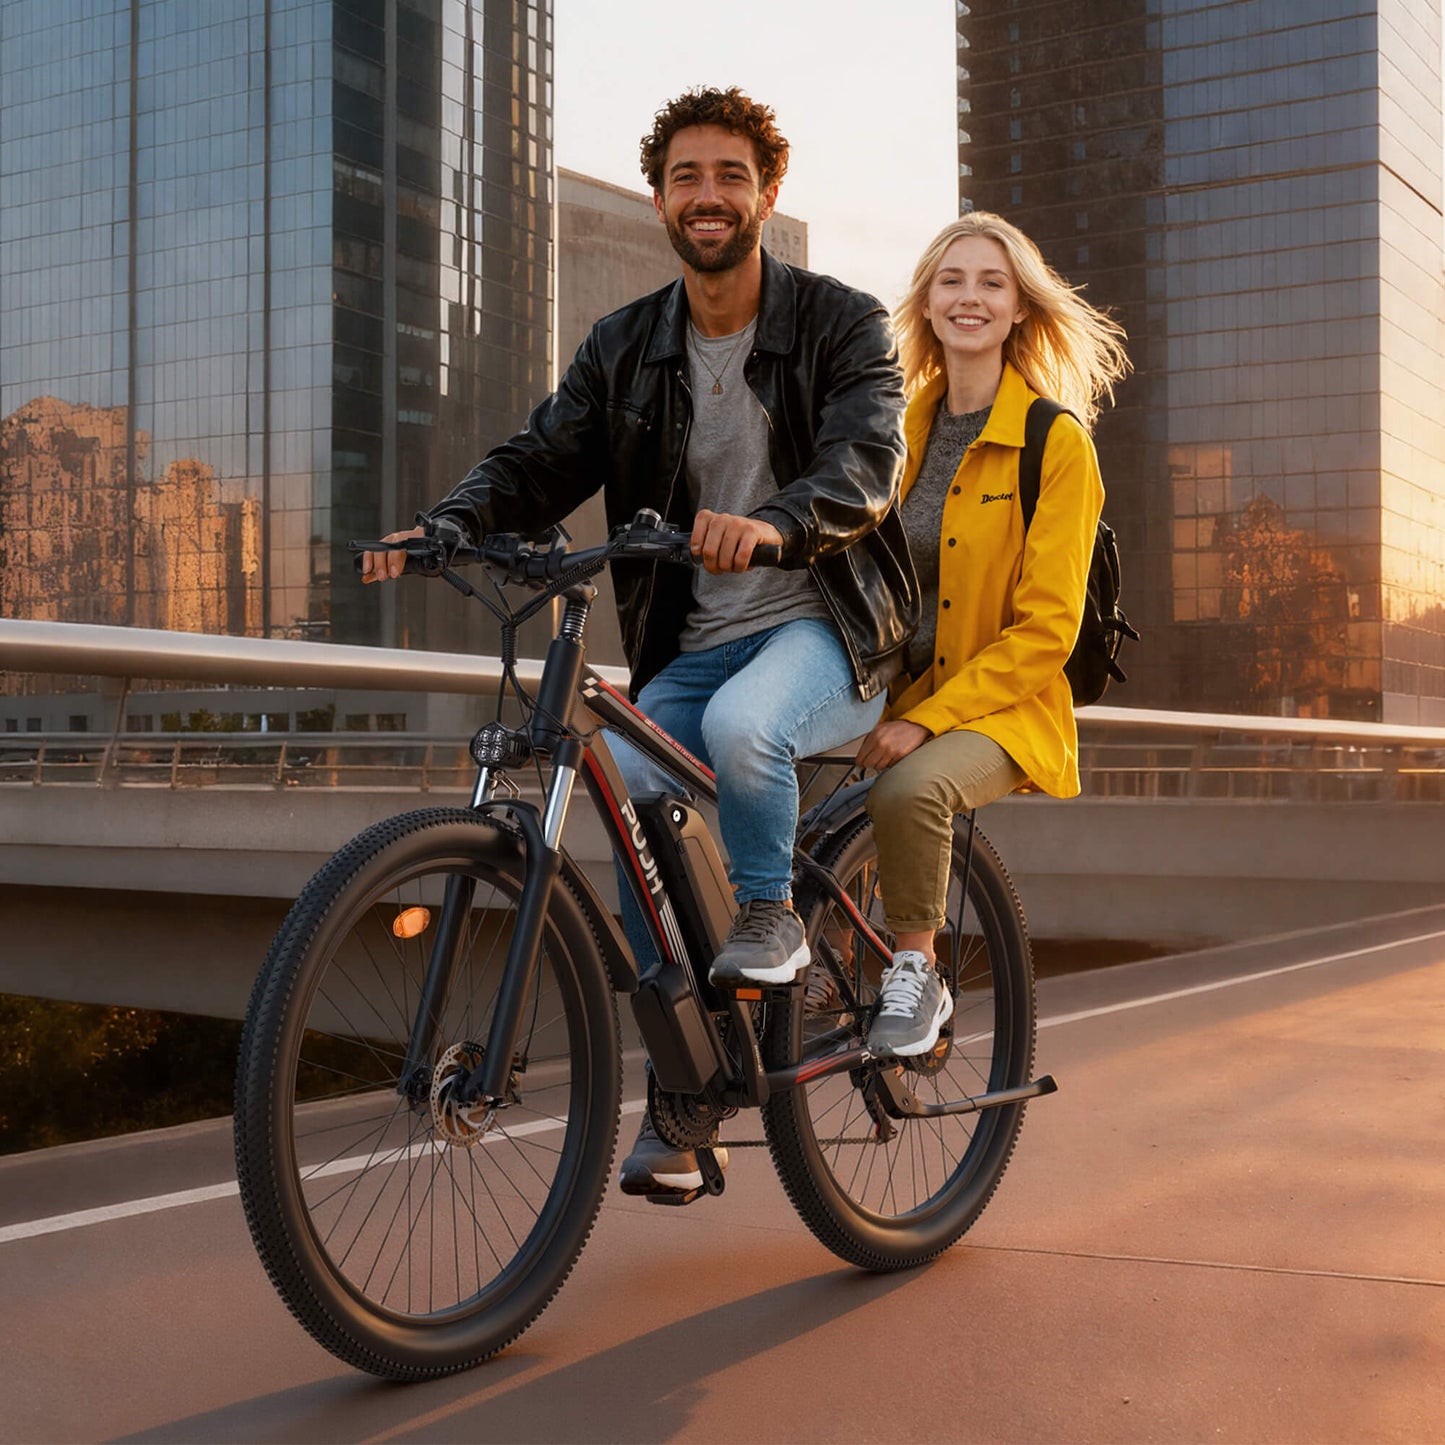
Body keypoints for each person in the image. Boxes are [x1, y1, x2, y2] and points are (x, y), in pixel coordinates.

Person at [362, 86, 917, 1195]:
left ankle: (770, 918)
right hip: (691, 643)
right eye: (685, 179)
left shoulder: (839, 320)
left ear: (766, 192)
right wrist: (455, 521)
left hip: (825, 625)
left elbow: (865, 461)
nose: (706, 197)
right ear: (663, 198)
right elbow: (542, 456)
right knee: (618, 781)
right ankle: (689, 1094)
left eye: (728, 177)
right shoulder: (623, 348)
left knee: (742, 726)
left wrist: (773, 527)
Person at [853, 212, 1129, 1057]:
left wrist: (924, 723)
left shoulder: (1056, 442)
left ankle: (916, 973)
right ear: (927, 305)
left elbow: (1047, 630)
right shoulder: (893, 433)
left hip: (1006, 704)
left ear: (1018, 311)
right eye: (951, 280)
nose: (969, 296)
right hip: (897, 690)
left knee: (909, 792)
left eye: (991, 283)